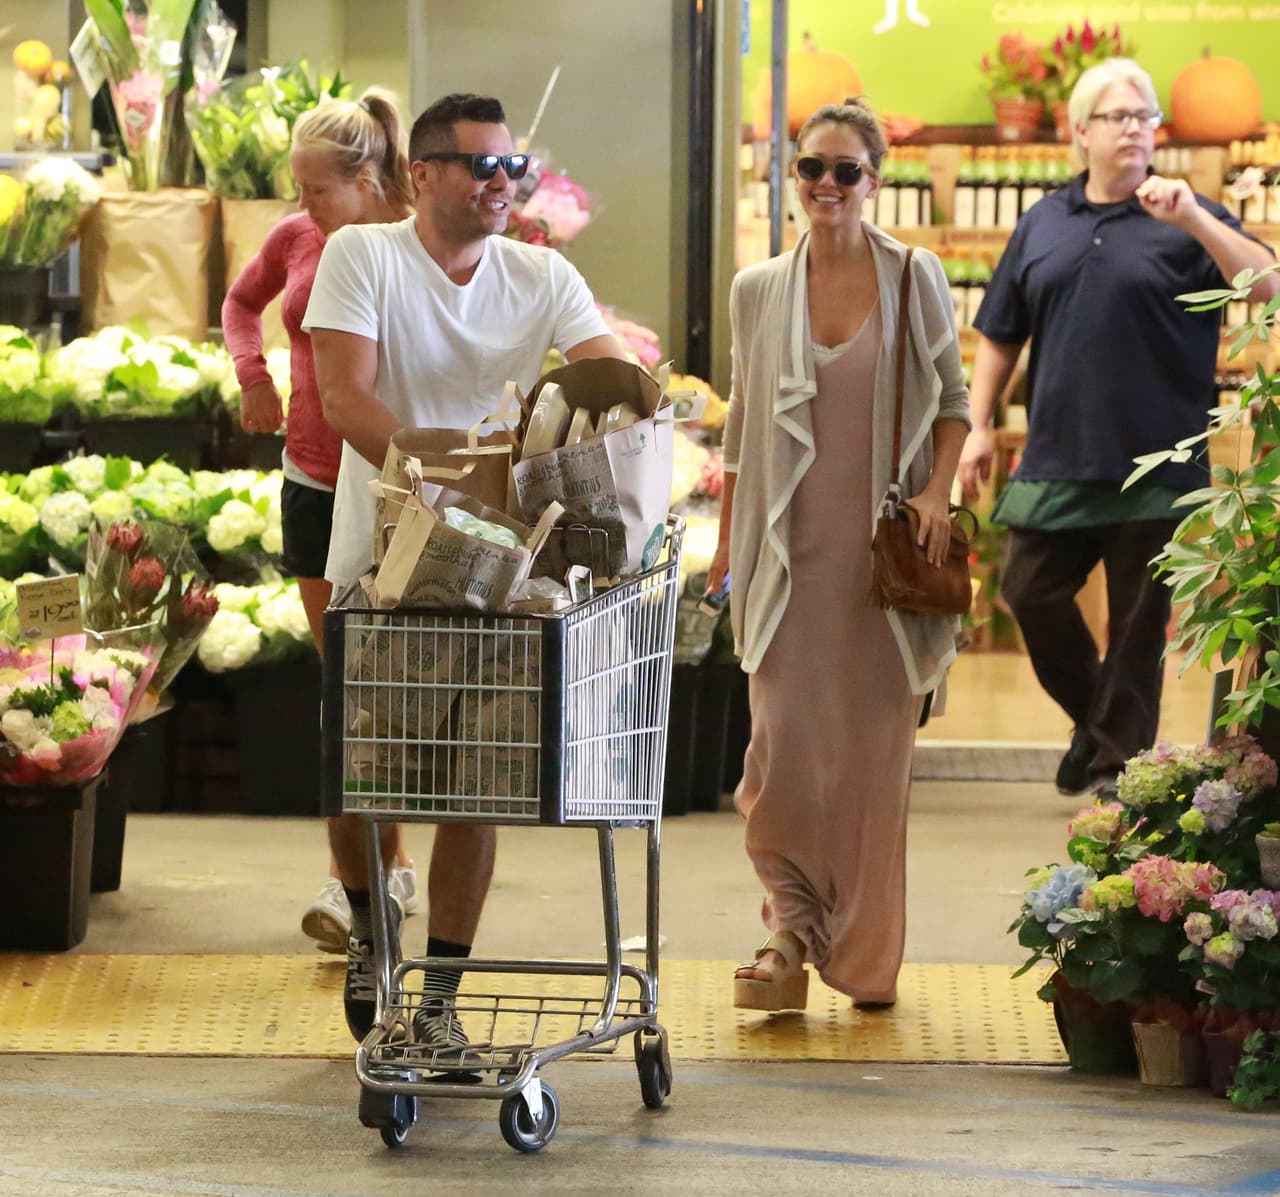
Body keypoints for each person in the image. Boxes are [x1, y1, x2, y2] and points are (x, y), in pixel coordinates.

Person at [303, 92, 624, 1047]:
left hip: (506, 570)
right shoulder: (363, 256)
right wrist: (438, 476)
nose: (500, 183)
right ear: (421, 174)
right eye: (480, 165)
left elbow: (608, 378)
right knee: (367, 770)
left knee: (478, 778)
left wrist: (630, 415)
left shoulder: (542, 274)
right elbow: (342, 396)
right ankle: (371, 930)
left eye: (509, 167)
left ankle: (437, 994)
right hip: (384, 557)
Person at [706, 98, 970, 1012]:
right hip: (784, 560)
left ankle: (859, 957)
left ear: (875, 179)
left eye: (845, 170)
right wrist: (726, 543)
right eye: (811, 168)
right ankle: (786, 933)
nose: (826, 185)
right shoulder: (757, 289)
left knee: (866, 768)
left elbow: (954, 401)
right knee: (779, 756)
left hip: (879, 572)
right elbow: (742, 425)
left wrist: (937, 492)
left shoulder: (914, 275)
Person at [956, 59, 1279, 797]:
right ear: (1080, 133)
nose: (1136, 127)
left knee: (1137, 630)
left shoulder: (1183, 214)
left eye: (1146, 115)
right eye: (1119, 115)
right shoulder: (1044, 220)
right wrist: (977, 423)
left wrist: (1194, 216)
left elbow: (1267, 285)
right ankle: (1099, 728)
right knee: (1028, 591)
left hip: (1160, 457)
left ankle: (1116, 777)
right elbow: (1001, 332)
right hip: (1058, 453)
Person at [222, 90, 424, 953]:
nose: (299, 207)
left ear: (369, 179)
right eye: (294, 189)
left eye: (313, 190)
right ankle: (360, 883)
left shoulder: (417, 245)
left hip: (403, 486)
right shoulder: (298, 239)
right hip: (312, 478)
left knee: (401, 684)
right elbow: (242, 303)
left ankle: (395, 862)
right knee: (344, 684)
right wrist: (252, 374)